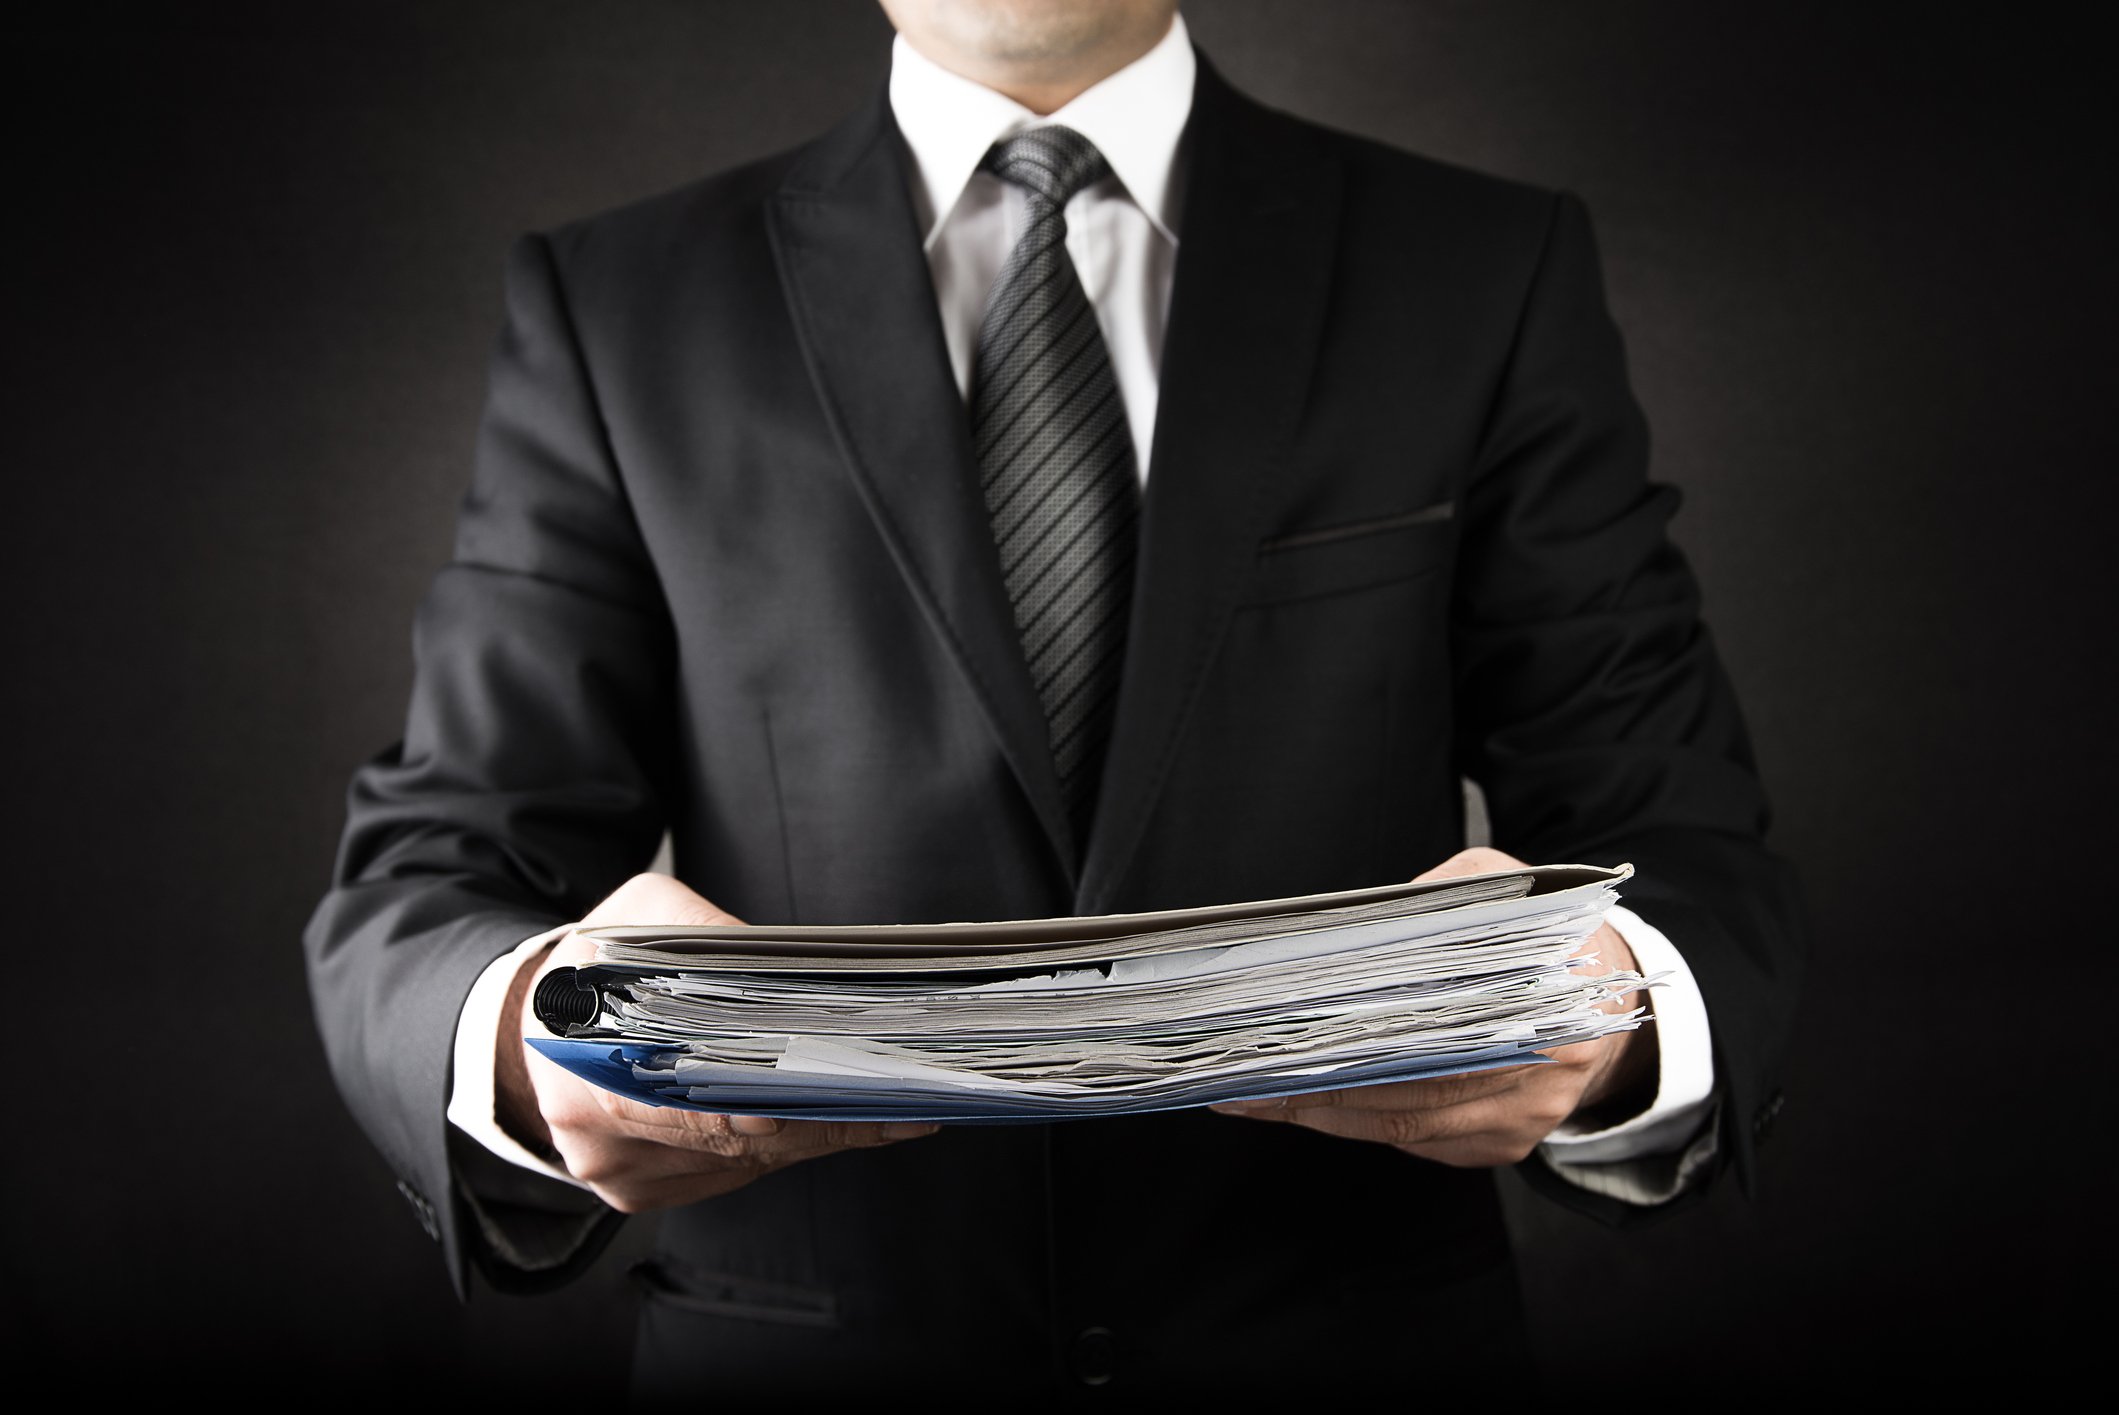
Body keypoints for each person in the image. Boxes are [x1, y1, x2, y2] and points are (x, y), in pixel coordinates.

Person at [305, 0, 1804, 1394]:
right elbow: (438, 878)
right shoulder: (616, 303)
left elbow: (1681, 842)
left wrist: (1607, 1014)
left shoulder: (1479, 265)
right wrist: (532, 1044)